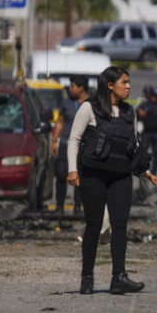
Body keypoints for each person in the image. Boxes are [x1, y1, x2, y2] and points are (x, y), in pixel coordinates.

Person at [67, 66, 157, 295]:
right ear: (110, 85)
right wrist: (72, 170)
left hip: (121, 175)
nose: (128, 86)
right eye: (124, 82)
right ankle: (87, 278)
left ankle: (119, 277)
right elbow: (74, 140)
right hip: (94, 174)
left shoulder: (130, 112)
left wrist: (145, 172)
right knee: (94, 226)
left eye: (129, 82)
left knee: (119, 226)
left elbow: (134, 146)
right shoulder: (89, 107)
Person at [51, 74, 89, 215]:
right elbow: (60, 122)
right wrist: (55, 141)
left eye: (73, 86)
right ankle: (59, 206)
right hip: (66, 144)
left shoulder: (91, 103)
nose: (70, 89)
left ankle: (78, 207)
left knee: (81, 177)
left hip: (84, 147)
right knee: (61, 175)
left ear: (81, 87)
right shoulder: (66, 103)